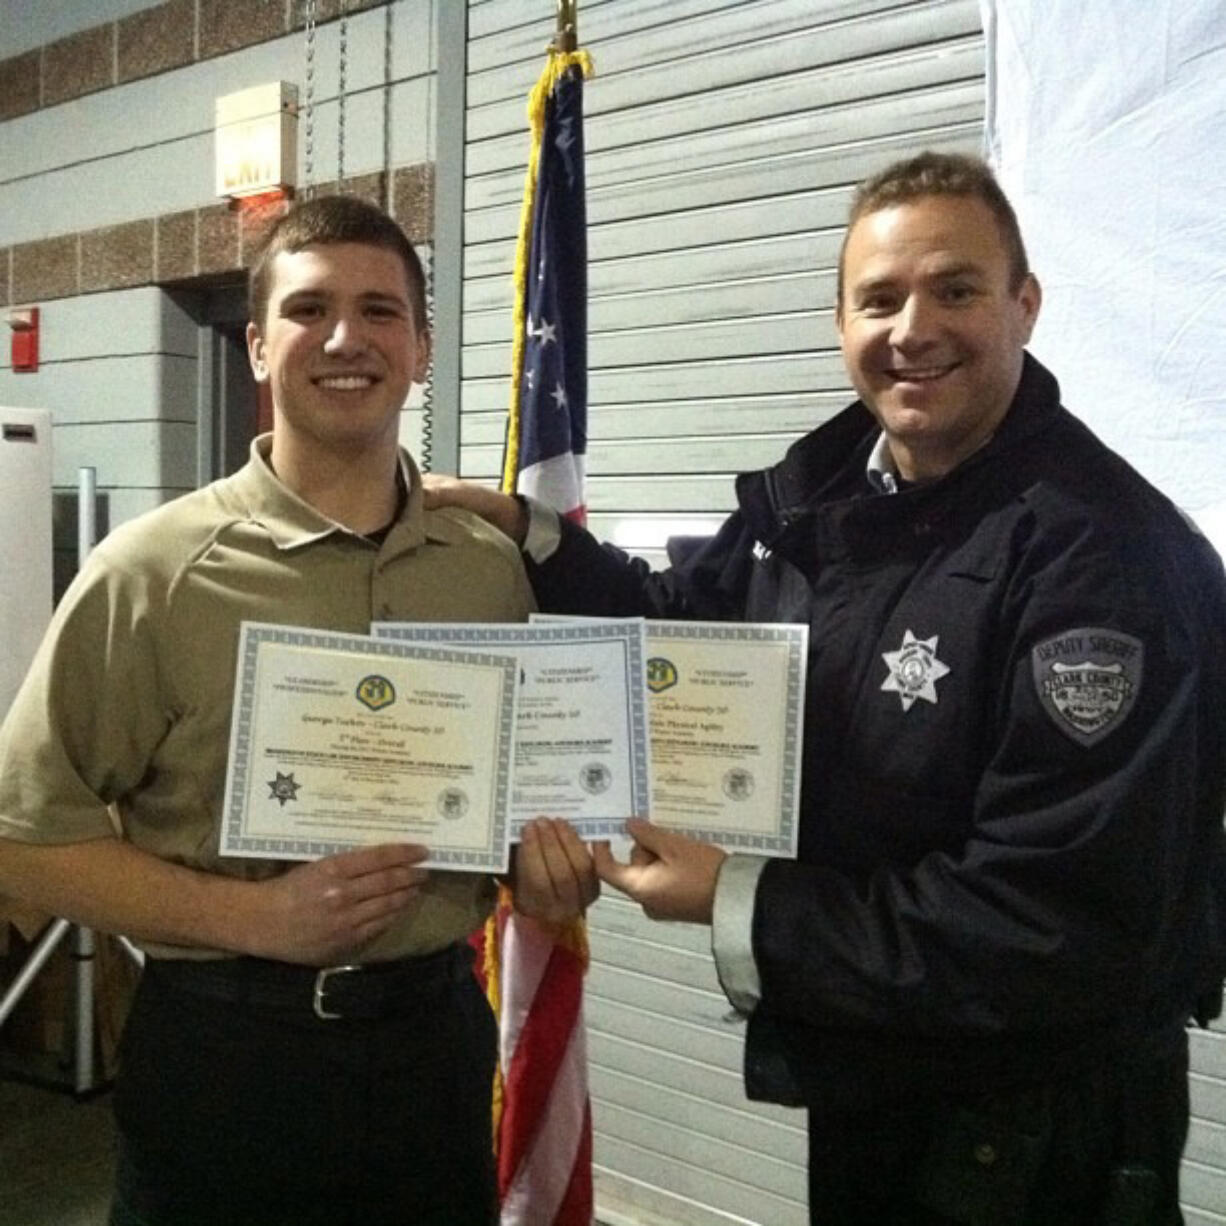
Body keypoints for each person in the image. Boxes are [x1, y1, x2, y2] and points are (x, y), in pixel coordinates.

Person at [423, 152, 1226, 1224]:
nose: (912, 328)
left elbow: (1050, 926)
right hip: (877, 1075)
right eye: (878, 298)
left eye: (954, 289)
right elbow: (685, 616)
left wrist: (740, 897)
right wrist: (523, 527)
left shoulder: (1103, 562)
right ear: (839, 321)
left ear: (1023, 305)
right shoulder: (837, 499)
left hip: (1030, 1134)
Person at [0, 195, 597, 1226]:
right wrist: (256, 916)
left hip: (430, 1047)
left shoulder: (487, 572)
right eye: (309, 308)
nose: (343, 338)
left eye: (378, 311)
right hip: (227, 1063)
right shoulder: (154, 571)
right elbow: (20, 837)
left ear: (418, 348)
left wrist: (539, 861)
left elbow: (501, 800)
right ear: (256, 346)